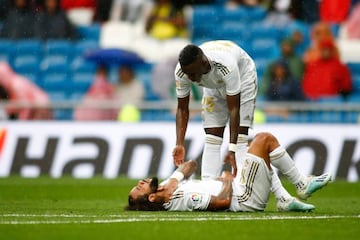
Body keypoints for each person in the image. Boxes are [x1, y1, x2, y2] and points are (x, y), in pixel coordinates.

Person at [126, 132, 332, 212]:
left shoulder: (169, 189)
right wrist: (226, 177)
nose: (140, 181)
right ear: (151, 197)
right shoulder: (185, 197)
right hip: (243, 198)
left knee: (254, 155)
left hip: (238, 189)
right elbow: (222, 201)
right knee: (264, 140)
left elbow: (191, 165)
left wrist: (177, 174)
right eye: (139, 188)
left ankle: (284, 199)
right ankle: (301, 184)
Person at [172, 40, 258, 181]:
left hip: (242, 77)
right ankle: (208, 187)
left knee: (241, 137)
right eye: (187, 74)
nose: (190, 78)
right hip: (213, 85)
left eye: (192, 74)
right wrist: (179, 143)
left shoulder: (226, 66)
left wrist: (232, 148)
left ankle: (242, 187)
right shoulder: (182, 72)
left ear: (204, 64)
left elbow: (234, 109)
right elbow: (182, 108)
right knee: (212, 137)